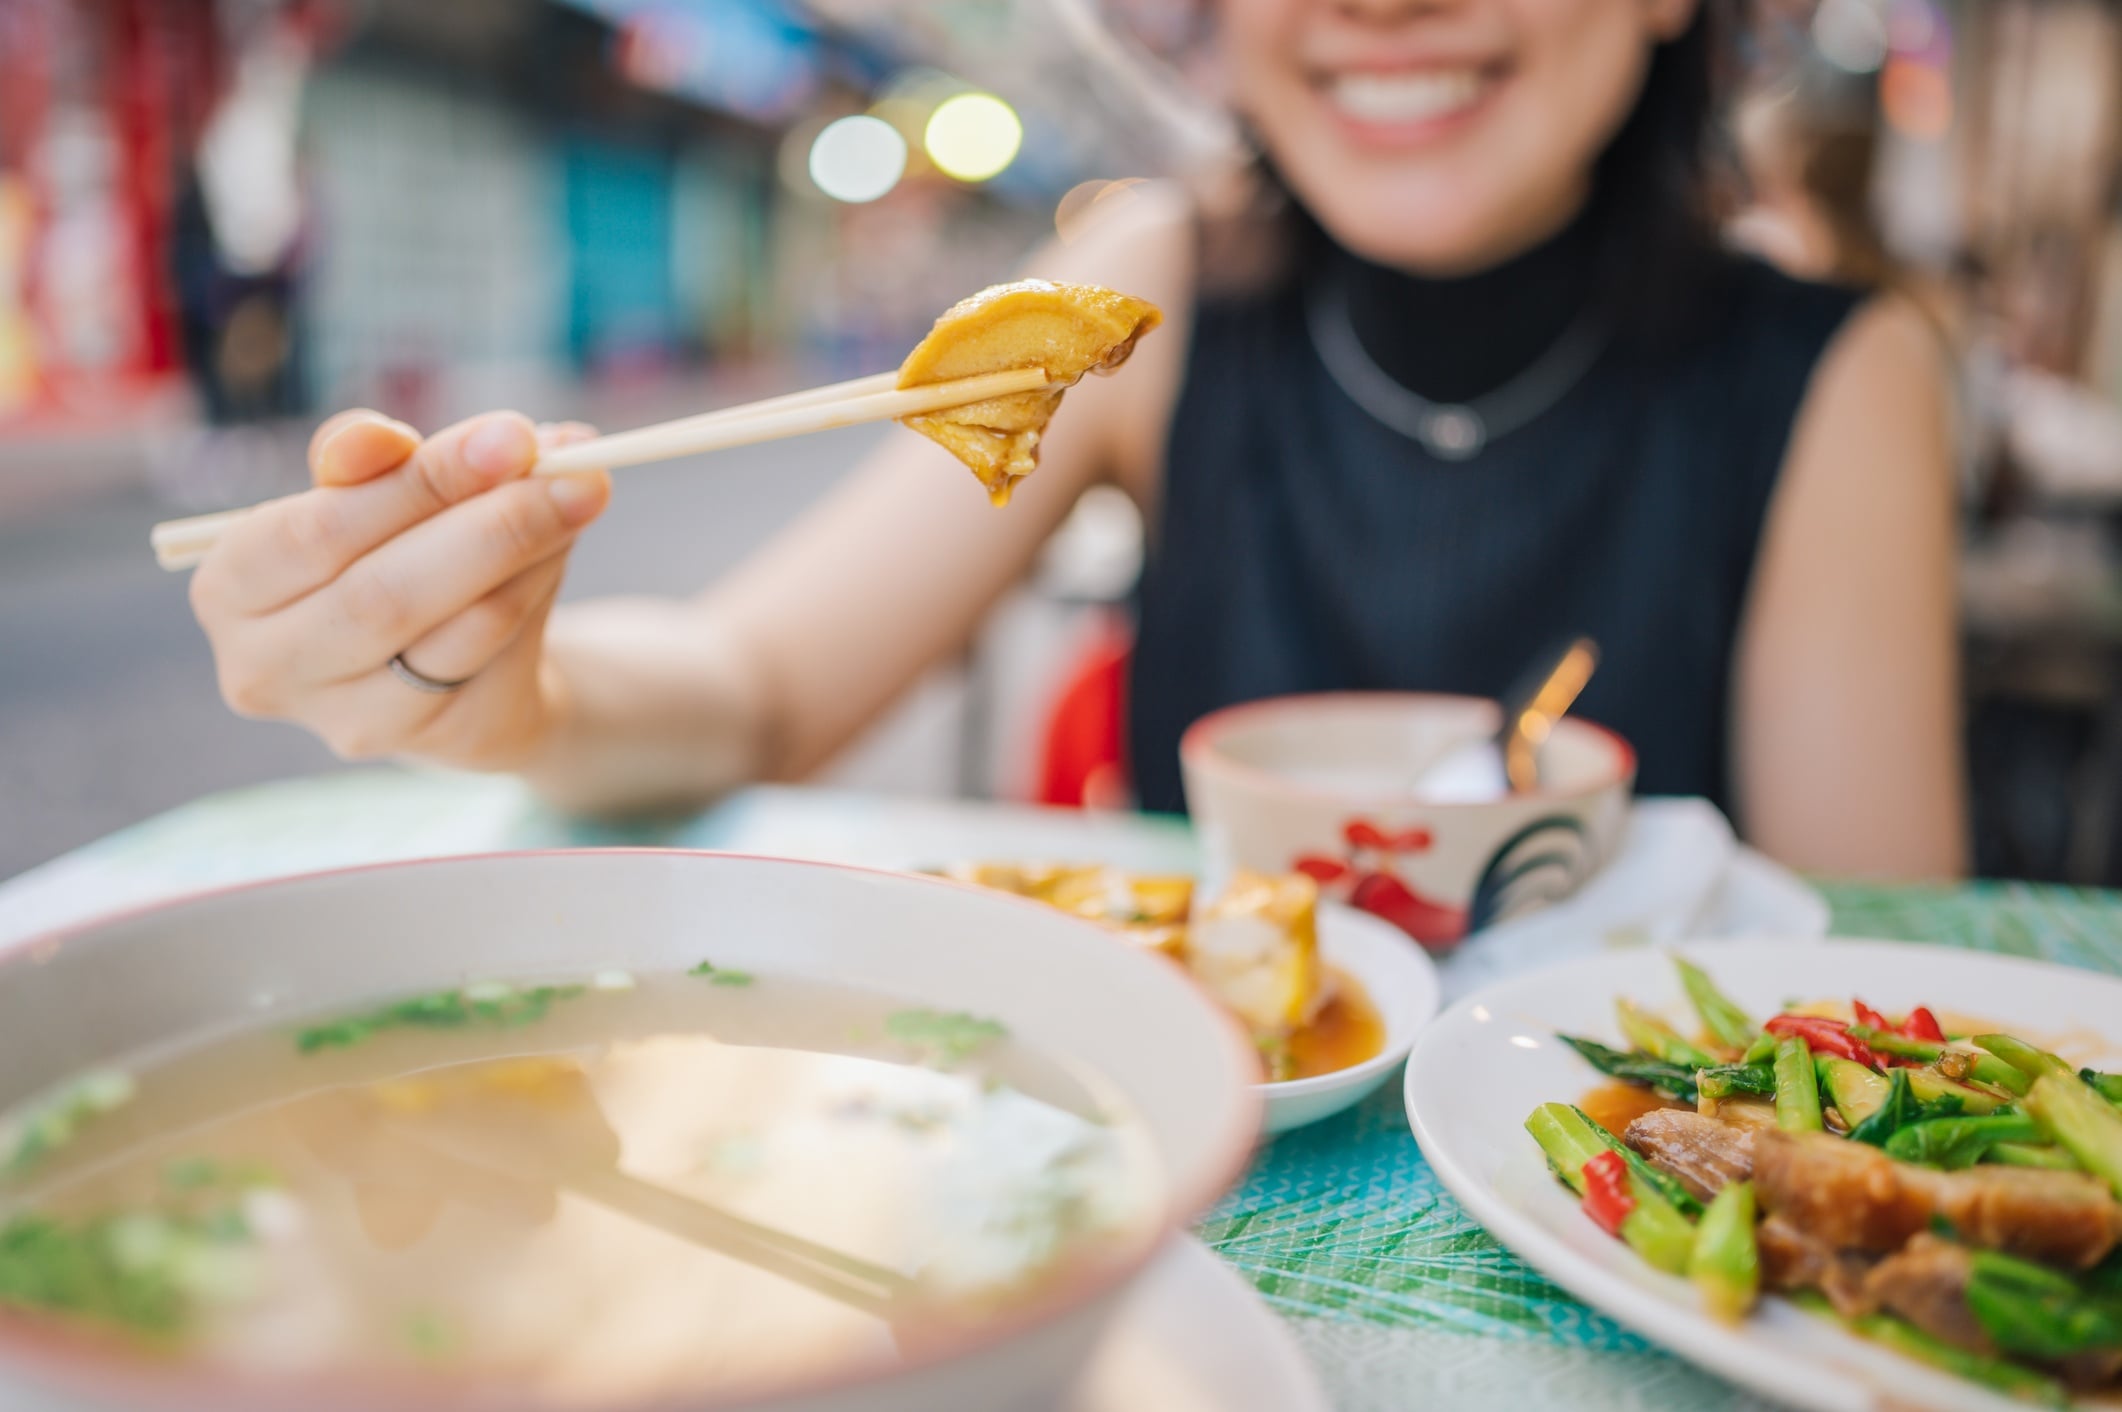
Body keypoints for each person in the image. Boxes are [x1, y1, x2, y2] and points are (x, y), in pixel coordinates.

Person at [186, 0, 1967, 879]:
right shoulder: (1144, 293)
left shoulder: (1834, 373)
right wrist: (498, 683)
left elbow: (1877, 975)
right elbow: (752, 685)